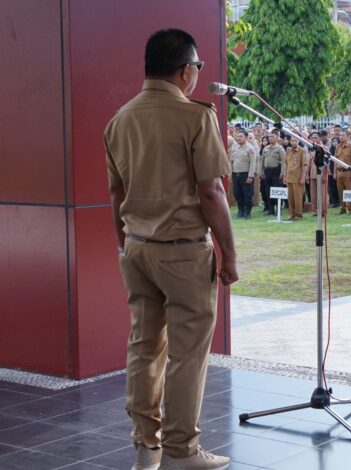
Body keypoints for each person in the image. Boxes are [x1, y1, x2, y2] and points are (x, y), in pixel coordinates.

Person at [104, 28, 234, 470]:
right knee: (187, 354)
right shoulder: (195, 117)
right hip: (183, 252)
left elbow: (116, 194)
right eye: (198, 66)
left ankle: (146, 447)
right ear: (185, 71)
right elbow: (212, 192)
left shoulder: (119, 119)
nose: (197, 73)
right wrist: (230, 254)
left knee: (143, 347)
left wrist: (125, 245)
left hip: (137, 248)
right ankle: (181, 450)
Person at [229, 129, 257, 219]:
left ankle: (247, 212)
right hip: (235, 174)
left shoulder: (250, 148)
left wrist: (250, 176)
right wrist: (230, 174)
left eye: (241, 136)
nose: (239, 138)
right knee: (237, 193)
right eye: (238, 136)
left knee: (247, 194)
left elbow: (253, 163)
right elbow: (231, 162)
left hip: (246, 174)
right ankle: (240, 210)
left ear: (246, 137)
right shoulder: (234, 148)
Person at [261, 132, 285, 214]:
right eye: (269, 137)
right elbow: (262, 161)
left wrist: (282, 173)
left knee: (277, 190)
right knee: (268, 190)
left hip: (276, 171)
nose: (270, 138)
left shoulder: (280, 148)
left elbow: (283, 161)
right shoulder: (265, 148)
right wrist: (261, 171)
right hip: (267, 171)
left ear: (277, 138)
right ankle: (271, 209)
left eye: (272, 136)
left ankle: (278, 209)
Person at [283, 136, 306, 221]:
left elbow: (304, 166)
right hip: (289, 177)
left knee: (298, 198)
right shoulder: (288, 150)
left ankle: (298, 215)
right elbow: (286, 164)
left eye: (295, 141)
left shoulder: (302, 151)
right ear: (290, 141)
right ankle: (291, 214)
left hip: (298, 178)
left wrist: (303, 178)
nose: (294, 142)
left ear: (298, 141)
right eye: (292, 141)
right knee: (290, 198)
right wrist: (285, 176)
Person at [334, 134, 351, 215]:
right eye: (340, 135)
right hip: (339, 171)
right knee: (340, 191)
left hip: (348, 172)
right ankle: (342, 208)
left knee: (350, 190)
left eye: (343, 135)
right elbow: (335, 160)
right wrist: (334, 173)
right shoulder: (338, 147)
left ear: (347, 137)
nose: (341, 137)